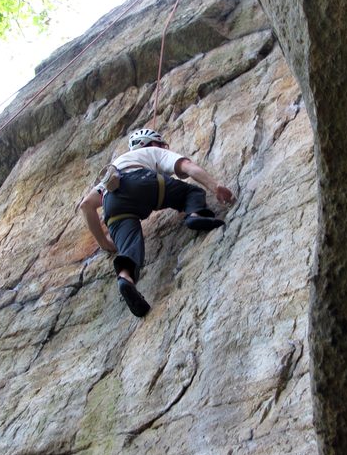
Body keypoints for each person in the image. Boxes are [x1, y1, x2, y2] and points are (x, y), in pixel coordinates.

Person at [79, 128, 236, 317]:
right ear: (153, 143)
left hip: (112, 201)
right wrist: (215, 186)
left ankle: (125, 277)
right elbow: (188, 167)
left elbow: (86, 205)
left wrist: (104, 243)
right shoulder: (154, 151)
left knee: (129, 247)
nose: (164, 148)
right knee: (191, 192)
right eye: (162, 145)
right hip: (143, 183)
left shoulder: (116, 167)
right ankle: (194, 215)